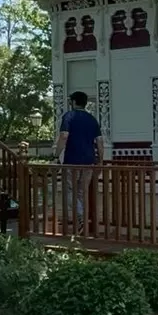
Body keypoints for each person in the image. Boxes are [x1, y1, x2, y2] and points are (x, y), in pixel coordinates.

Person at [54, 91, 104, 234]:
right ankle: (81, 224)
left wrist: (56, 156)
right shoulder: (92, 119)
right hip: (89, 161)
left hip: (72, 161)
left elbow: (64, 136)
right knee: (81, 192)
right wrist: (100, 160)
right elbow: (100, 142)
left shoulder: (69, 116)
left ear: (74, 102)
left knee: (69, 190)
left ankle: (81, 217)